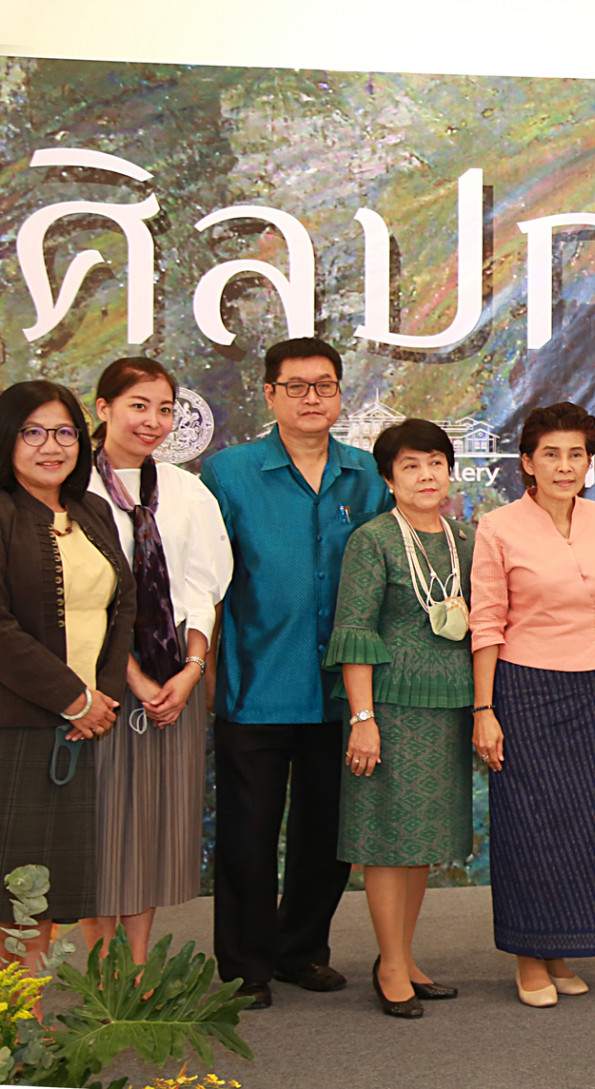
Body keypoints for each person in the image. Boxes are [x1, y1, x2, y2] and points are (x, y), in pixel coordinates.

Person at [201, 337, 391, 1008]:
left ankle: (301, 949)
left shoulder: (367, 476)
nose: (313, 397)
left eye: (325, 385)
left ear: (340, 393)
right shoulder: (228, 473)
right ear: (270, 394)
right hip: (256, 682)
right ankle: (245, 965)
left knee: (328, 834)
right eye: (297, 386)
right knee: (248, 837)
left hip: (342, 693)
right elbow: (207, 582)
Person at [0, 381, 132, 956]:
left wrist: (101, 701)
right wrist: (73, 699)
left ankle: (23, 1024)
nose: (51, 445)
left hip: (75, 733)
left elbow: (123, 609)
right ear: (7, 440)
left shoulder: (91, 510)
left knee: (43, 892)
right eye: (33, 432)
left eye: (64, 432)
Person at [470, 402, 595, 1008]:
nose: (565, 466)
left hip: (594, 688)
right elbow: (486, 623)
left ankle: (562, 948)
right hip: (523, 688)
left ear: (591, 462)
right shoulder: (499, 526)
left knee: (586, 828)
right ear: (527, 463)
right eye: (551, 454)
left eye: (576, 455)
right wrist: (483, 710)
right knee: (530, 826)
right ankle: (528, 957)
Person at [80, 358, 233, 962]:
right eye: (138, 405)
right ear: (103, 408)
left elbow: (204, 587)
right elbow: (80, 602)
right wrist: (135, 680)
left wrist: (192, 670)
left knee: (148, 832)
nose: (152, 421)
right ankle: (100, 968)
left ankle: (136, 965)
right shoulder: (71, 488)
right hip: (99, 687)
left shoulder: (184, 490)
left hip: (175, 688)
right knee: (98, 834)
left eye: (164, 409)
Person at [325, 419, 476, 1018]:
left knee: (422, 840)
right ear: (388, 478)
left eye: (435, 462)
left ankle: (406, 956)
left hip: (450, 706)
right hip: (388, 707)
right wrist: (363, 716)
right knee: (388, 839)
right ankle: (389, 964)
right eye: (411, 465)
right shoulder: (373, 540)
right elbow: (355, 631)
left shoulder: (466, 539)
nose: (426, 475)